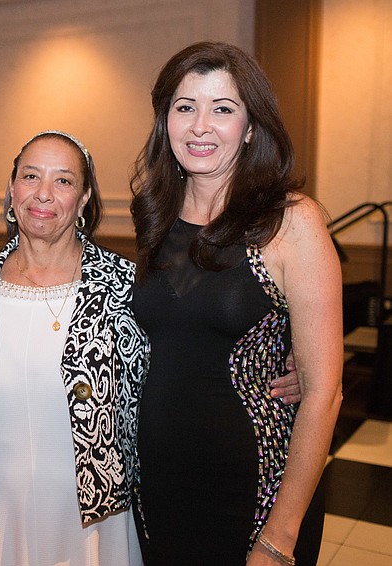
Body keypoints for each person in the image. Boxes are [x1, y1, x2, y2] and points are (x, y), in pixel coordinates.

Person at [129, 41, 342, 565]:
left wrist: (279, 538)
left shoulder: (289, 220)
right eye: (185, 107)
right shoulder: (156, 214)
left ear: (250, 127)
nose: (200, 126)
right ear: (165, 121)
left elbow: (324, 393)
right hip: (159, 486)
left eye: (222, 109)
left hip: (255, 490)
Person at [0, 131, 148, 565]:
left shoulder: (127, 287)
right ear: (12, 188)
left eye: (63, 181)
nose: (44, 194)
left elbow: (182, 363)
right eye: (31, 176)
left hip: (95, 513)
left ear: (84, 198)